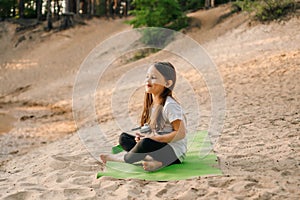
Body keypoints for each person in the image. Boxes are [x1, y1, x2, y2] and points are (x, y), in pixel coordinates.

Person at [100, 62, 187, 171]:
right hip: (158, 147)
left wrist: (151, 139)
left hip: (174, 154)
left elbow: (180, 133)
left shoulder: (170, 106)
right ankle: (154, 161)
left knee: (145, 143)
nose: (148, 80)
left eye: (153, 77)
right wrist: (143, 137)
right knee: (124, 138)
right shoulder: (153, 105)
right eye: (147, 77)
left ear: (167, 83)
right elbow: (156, 131)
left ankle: (124, 158)